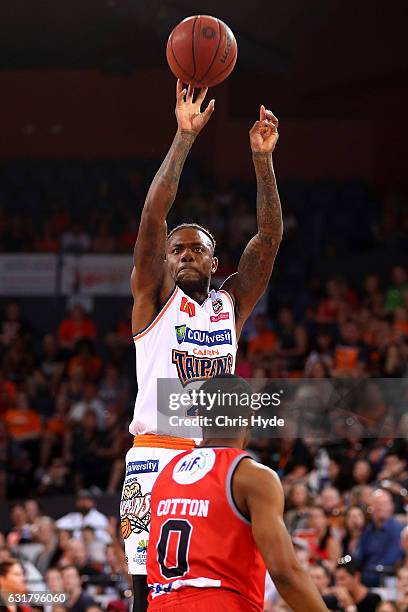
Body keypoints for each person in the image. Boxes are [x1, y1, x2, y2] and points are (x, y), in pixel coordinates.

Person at [123, 78, 283, 610]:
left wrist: (262, 160)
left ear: (215, 262)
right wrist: (184, 136)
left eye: (198, 249)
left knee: (216, 585)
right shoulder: (152, 300)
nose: (186, 254)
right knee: (145, 586)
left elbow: (268, 239)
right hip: (153, 456)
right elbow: (152, 216)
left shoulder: (228, 305)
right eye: (178, 249)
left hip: (214, 459)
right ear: (165, 260)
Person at [146, 376, 327, 611]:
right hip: (221, 603)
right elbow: (284, 573)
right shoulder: (253, 476)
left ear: (199, 414)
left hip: (160, 603)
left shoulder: (166, 474)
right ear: (250, 417)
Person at [354, 489, 404, 587]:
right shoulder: (367, 530)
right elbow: (359, 557)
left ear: (392, 507)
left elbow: (393, 559)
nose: (380, 507)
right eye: (377, 503)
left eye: (384, 503)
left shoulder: (399, 530)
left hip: (388, 581)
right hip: (365, 580)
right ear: (371, 507)